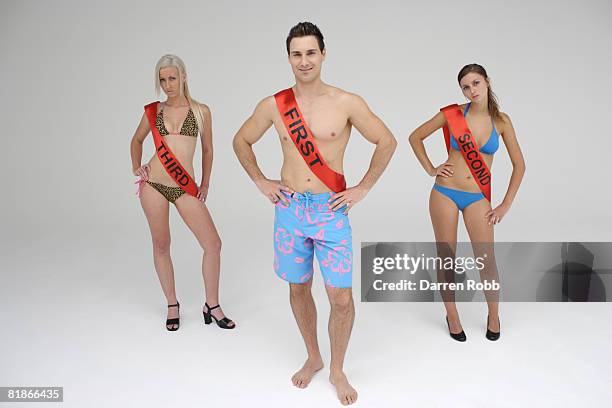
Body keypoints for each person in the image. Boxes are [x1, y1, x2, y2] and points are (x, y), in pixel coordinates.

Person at [233, 22, 396, 406]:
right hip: (289, 212)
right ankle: (313, 356)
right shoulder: (274, 105)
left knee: (341, 298)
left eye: (310, 52)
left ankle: (338, 370)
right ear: (288, 57)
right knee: (297, 288)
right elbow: (240, 140)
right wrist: (260, 180)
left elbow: (386, 141)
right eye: (296, 53)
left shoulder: (346, 102)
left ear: (323, 54)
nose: (304, 61)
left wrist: (363, 187)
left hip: (330, 211)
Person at [409, 63, 525, 341]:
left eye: (475, 83)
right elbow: (415, 137)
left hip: (477, 197)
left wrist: (505, 204)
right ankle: (452, 315)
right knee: (446, 258)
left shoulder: (502, 121)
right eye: (465, 86)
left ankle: (493, 315)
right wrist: (430, 168)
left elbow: (519, 166)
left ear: (487, 82)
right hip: (445, 192)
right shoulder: (452, 114)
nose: (471, 90)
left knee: (486, 259)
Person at [130, 54, 235, 331]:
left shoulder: (201, 111)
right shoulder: (154, 110)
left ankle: (212, 304)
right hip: (154, 184)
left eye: (172, 78)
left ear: (184, 77)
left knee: (212, 244)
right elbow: (136, 140)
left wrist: (205, 183)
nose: (167, 85)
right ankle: (172, 304)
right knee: (162, 244)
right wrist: (136, 167)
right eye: (162, 80)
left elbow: (209, 149)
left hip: (184, 186)